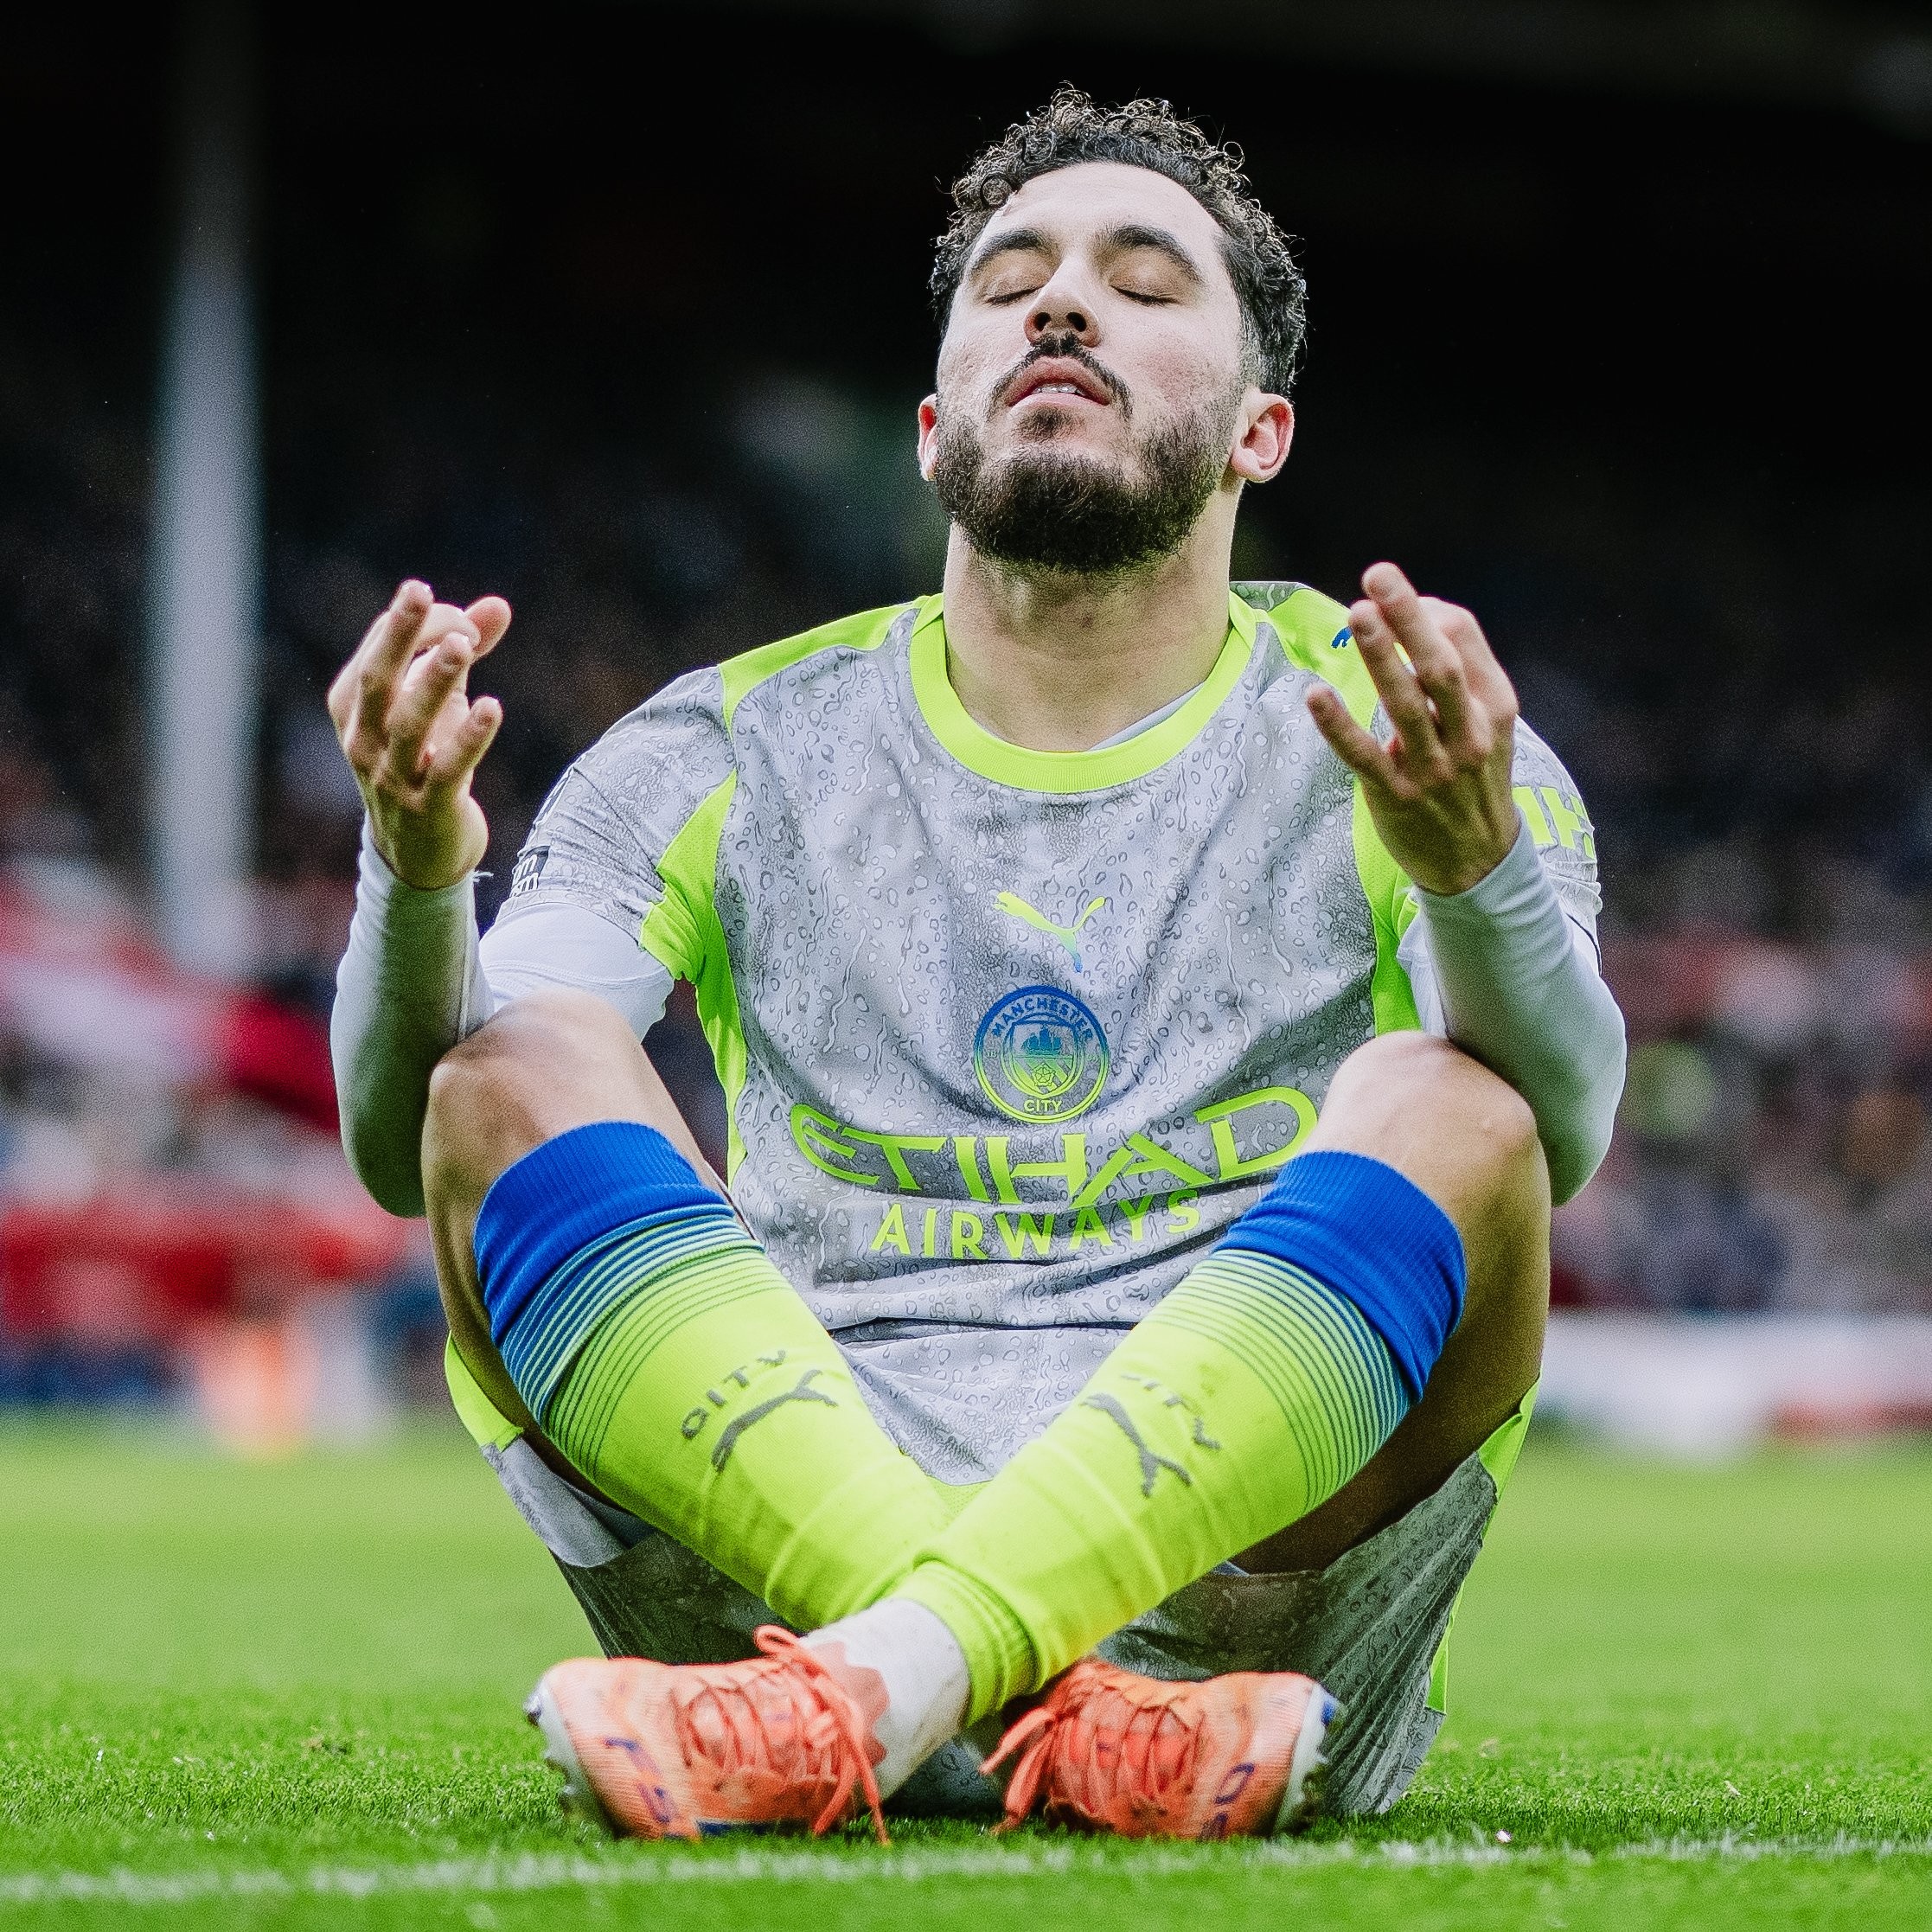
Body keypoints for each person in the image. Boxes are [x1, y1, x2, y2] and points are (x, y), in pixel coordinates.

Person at [328, 89, 1624, 1843]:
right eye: (1011, 282)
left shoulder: (1398, 722)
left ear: (1259, 432)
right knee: (507, 1067)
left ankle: (885, 1682)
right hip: (779, 1562)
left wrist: (1471, 873)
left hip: (1238, 1593)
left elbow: (1562, 1129)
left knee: (1453, 1105)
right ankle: (1012, 1695)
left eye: (1141, 283)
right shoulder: (723, 746)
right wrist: (415, 881)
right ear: (935, 428)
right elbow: (407, 1130)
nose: (1063, 302)